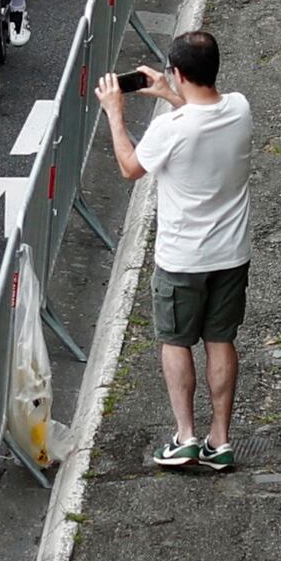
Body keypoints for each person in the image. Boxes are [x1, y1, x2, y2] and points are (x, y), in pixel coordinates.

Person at [103, 28, 253, 470]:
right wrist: (172, 94)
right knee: (221, 339)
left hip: (181, 259)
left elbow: (131, 167)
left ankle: (185, 435)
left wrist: (115, 111)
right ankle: (220, 440)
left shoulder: (171, 129)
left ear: (179, 71)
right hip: (231, 253)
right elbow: (202, 119)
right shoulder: (240, 109)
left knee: (176, 342)